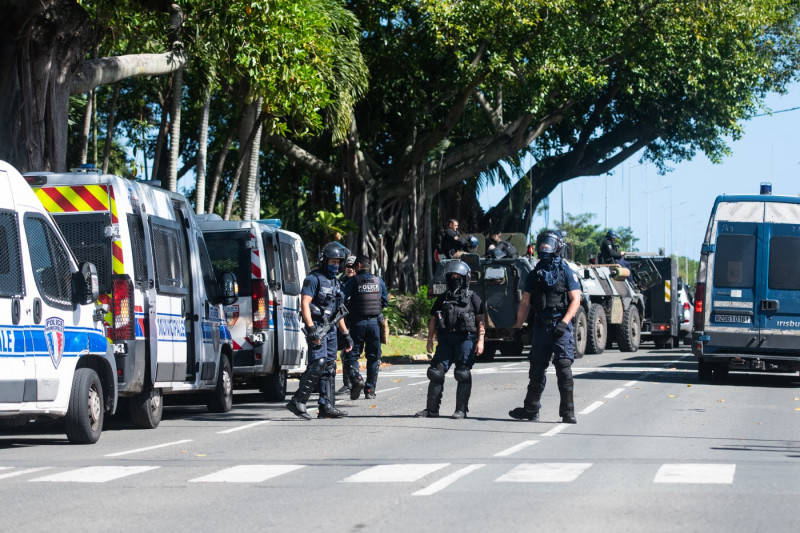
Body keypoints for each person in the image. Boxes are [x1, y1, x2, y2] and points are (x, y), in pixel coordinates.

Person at [509, 230, 582, 424]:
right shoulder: (534, 274)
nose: (545, 247)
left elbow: (576, 300)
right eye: (542, 244)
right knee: (536, 370)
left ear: (558, 246)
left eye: (548, 244)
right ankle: (531, 409)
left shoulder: (566, 271)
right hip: (541, 327)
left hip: (561, 326)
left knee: (564, 369)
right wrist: (518, 328)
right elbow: (525, 302)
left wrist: (564, 322)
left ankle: (568, 412)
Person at [286, 242, 353, 420]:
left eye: (338, 262)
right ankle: (298, 401)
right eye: (332, 262)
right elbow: (304, 303)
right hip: (317, 327)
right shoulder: (313, 279)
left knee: (330, 366)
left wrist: (346, 334)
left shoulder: (336, 283)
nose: (336, 266)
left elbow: (340, 312)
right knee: (319, 363)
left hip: (331, 329)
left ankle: (326, 406)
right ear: (324, 261)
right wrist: (311, 328)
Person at [416, 260, 485, 419]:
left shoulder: (473, 298)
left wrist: (480, 341)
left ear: (465, 278)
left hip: (465, 340)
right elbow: (434, 319)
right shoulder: (443, 298)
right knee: (435, 373)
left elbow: (480, 320)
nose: (454, 279)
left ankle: (461, 410)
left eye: (458, 276)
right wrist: (429, 339)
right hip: (445, 339)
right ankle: (431, 410)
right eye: (452, 276)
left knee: (462, 373)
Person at [342, 255, 389, 400]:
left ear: (360, 265)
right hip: (374, 323)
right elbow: (385, 301)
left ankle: (357, 380)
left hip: (357, 323)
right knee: (374, 357)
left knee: (352, 355)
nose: (353, 269)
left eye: (355, 266)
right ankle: (370, 390)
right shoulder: (378, 280)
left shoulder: (353, 281)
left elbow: (342, 299)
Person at [335, 256, 357, 396]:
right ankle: (347, 384)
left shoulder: (360, 281)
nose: (350, 268)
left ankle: (361, 384)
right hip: (343, 321)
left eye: (353, 266)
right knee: (345, 352)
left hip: (357, 321)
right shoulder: (340, 282)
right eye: (348, 266)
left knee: (354, 353)